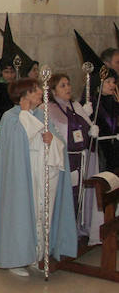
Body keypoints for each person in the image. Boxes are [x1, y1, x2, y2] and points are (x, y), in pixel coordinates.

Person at [0, 79, 77, 276]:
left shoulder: (42, 114)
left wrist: (52, 140)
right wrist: (25, 115)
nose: (39, 94)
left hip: (42, 174)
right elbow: (16, 144)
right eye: (35, 91)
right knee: (22, 213)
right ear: (24, 95)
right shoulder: (10, 117)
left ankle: (35, 254)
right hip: (21, 176)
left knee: (41, 214)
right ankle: (15, 258)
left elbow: (58, 140)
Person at [47, 72, 102, 244]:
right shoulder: (49, 109)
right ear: (53, 90)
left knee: (80, 195)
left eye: (68, 84)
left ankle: (78, 228)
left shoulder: (75, 105)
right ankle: (63, 234)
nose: (68, 88)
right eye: (63, 85)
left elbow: (87, 126)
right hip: (65, 160)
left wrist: (92, 129)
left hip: (82, 158)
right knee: (67, 196)